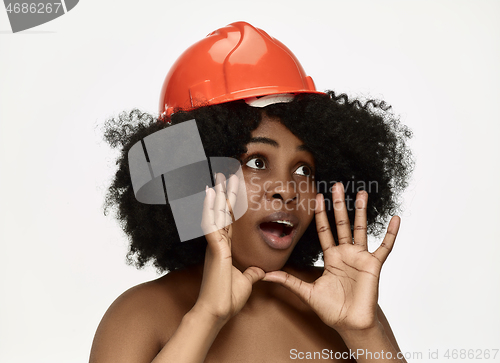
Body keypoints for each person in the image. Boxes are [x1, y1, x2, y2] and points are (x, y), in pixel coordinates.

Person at [89, 22, 413, 362]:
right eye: (257, 161)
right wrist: (207, 316)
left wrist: (363, 333)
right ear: (194, 174)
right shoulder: (140, 316)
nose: (287, 191)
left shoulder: (342, 307)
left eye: (304, 169)